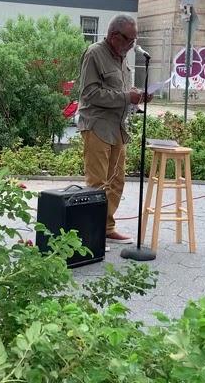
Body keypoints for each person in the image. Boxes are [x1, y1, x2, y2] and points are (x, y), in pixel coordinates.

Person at [77, 14, 153, 244]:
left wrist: (138, 95)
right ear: (113, 36)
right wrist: (125, 97)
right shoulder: (94, 54)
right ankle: (91, 234)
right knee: (97, 183)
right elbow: (89, 93)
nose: (132, 45)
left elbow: (120, 89)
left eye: (134, 40)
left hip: (118, 127)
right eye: (129, 40)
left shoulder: (121, 56)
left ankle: (107, 228)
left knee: (117, 180)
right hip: (97, 125)